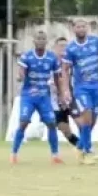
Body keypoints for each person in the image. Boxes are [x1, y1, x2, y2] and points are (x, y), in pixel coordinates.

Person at [11, 31, 65, 164]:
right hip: (28, 96)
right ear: (34, 41)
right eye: (38, 39)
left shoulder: (52, 58)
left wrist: (61, 94)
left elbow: (58, 78)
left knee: (52, 123)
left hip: (44, 97)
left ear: (46, 42)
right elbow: (21, 72)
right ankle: (14, 154)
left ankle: (55, 155)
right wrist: (22, 78)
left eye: (43, 39)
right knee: (23, 122)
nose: (40, 41)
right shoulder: (27, 56)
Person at [62, 19, 98, 164]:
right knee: (86, 118)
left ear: (87, 28)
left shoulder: (96, 42)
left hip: (96, 88)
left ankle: (80, 147)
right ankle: (87, 152)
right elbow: (65, 69)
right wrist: (66, 89)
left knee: (92, 122)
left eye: (83, 26)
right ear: (74, 29)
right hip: (81, 88)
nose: (81, 29)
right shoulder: (71, 48)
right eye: (78, 27)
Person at [52, 37, 81, 149]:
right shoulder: (50, 63)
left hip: (71, 97)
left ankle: (87, 147)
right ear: (55, 48)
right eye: (61, 45)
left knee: (80, 123)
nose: (63, 48)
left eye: (66, 46)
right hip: (56, 101)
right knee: (65, 130)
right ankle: (81, 146)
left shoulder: (72, 63)